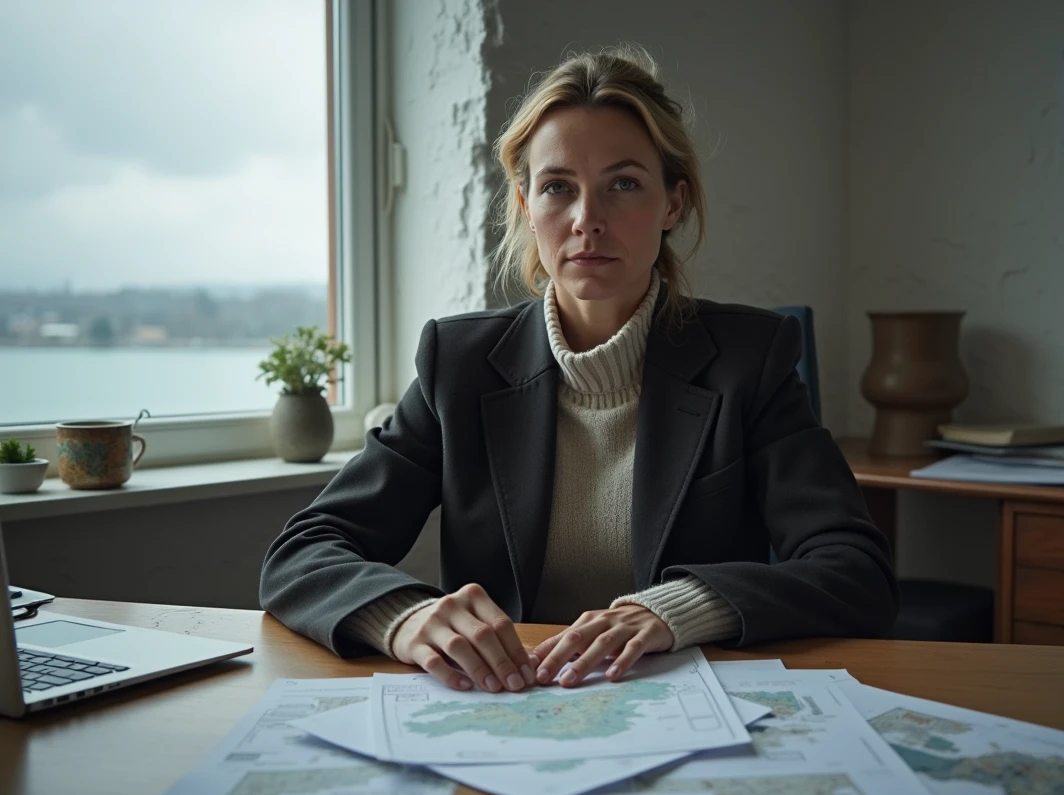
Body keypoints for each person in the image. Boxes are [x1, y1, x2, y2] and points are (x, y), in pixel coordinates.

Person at [259, 45, 897, 696]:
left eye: (623, 184)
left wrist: (674, 610)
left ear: (673, 203)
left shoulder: (750, 359)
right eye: (558, 187)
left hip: (692, 705)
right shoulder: (461, 366)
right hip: (507, 703)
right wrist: (406, 617)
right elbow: (305, 552)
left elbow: (854, 569)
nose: (586, 221)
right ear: (526, 204)